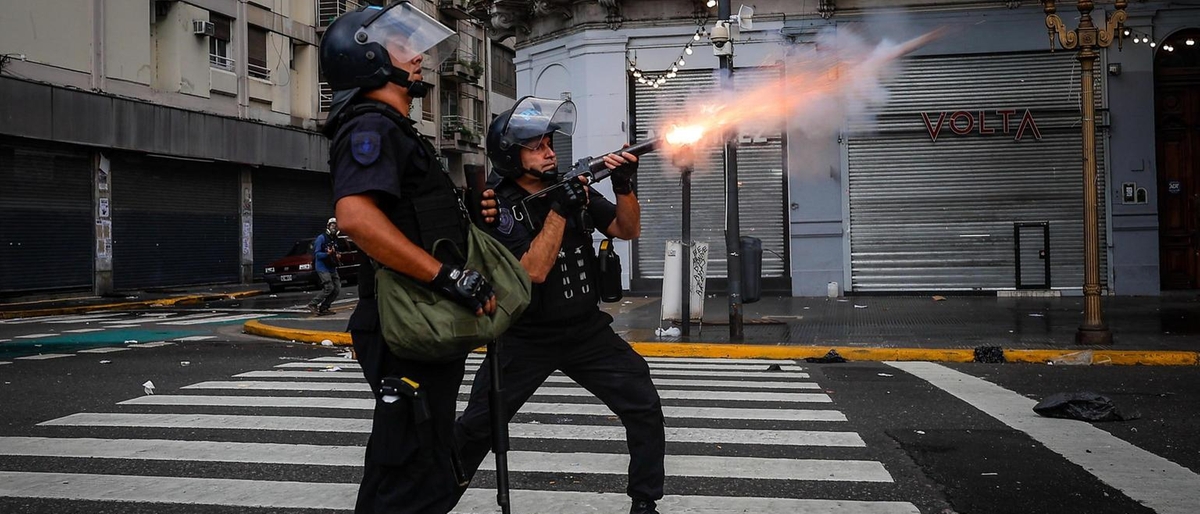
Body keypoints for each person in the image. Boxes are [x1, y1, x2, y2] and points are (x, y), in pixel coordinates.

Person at [318, 3, 498, 513]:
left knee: (427, 459)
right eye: (402, 46)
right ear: (368, 58)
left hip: (423, 322)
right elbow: (355, 216)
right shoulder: (369, 127)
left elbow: (420, 222)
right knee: (406, 465)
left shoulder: (398, 130)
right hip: (404, 324)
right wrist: (447, 277)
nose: (417, 56)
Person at [454, 96, 666, 514]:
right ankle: (428, 499)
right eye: (537, 146)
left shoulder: (572, 187)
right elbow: (532, 271)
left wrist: (623, 185)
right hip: (525, 334)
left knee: (642, 401)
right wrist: (558, 210)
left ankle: (645, 502)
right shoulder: (495, 206)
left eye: (550, 143)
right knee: (479, 425)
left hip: (584, 330)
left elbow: (628, 228)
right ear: (512, 155)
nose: (550, 152)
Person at [307, 217, 342, 315]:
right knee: (329, 287)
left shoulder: (335, 239)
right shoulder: (321, 238)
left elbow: (335, 251)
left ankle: (325, 307)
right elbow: (317, 254)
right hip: (322, 267)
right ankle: (313, 304)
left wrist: (337, 255)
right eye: (332, 225)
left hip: (332, 267)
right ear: (328, 226)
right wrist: (327, 254)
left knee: (337, 288)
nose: (334, 227)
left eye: (336, 225)